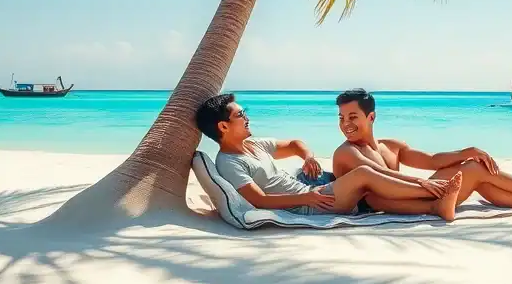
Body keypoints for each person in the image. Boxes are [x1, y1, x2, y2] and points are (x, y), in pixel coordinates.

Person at [195, 93, 463, 221]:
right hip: (308, 205)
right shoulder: (229, 162)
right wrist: (307, 198)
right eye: (240, 114)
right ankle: (435, 191)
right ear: (223, 126)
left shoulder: (255, 145)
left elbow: (295, 144)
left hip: (313, 192)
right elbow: (260, 200)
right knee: (363, 174)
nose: (247, 117)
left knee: (371, 191)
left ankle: (435, 204)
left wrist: (308, 157)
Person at [331, 88, 512, 215]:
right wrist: (426, 184)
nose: (346, 124)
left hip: (417, 194)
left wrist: (465, 152)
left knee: (477, 169)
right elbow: (379, 176)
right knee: (473, 172)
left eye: (353, 117)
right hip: (392, 203)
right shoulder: (346, 152)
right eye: (342, 118)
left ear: (371, 117)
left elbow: (432, 160)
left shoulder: (391, 146)